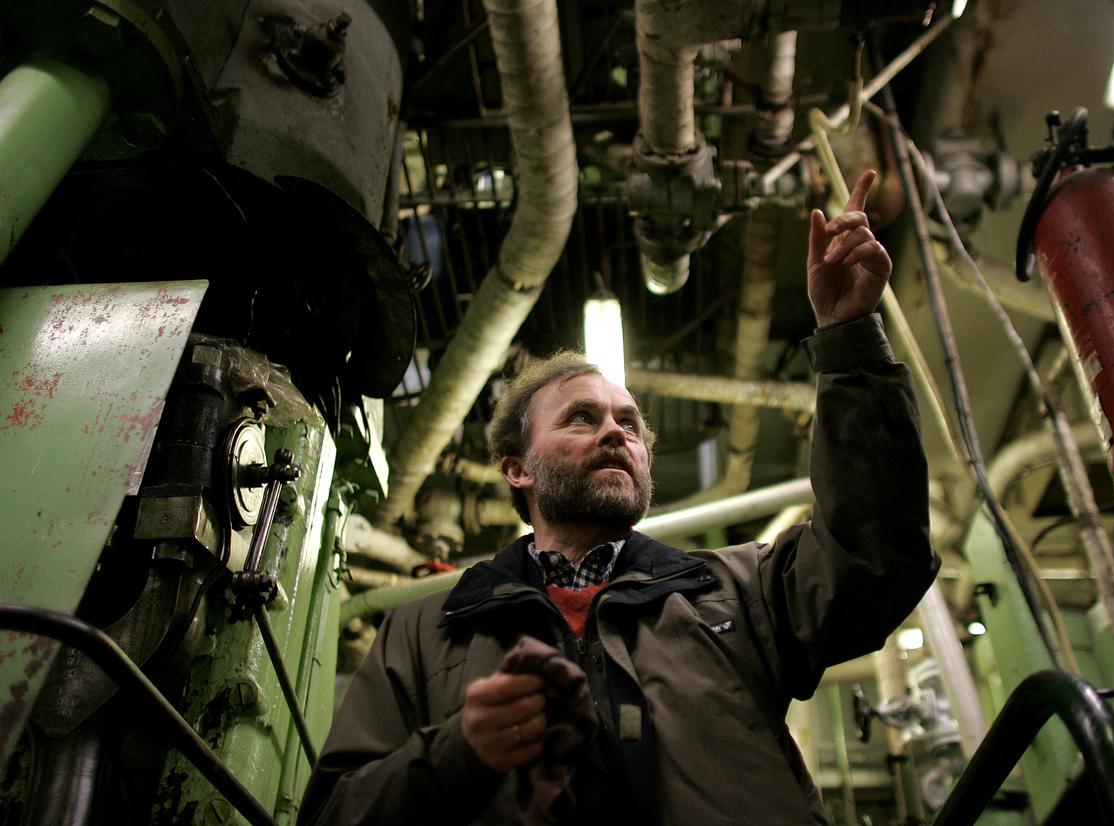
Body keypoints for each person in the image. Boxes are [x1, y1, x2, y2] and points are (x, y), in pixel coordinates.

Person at [298, 170, 938, 824]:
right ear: (516, 468)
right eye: (582, 418)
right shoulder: (424, 629)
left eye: (629, 424)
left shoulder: (740, 590)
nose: (614, 431)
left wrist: (849, 336)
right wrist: (461, 750)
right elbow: (334, 814)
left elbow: (875, 558)